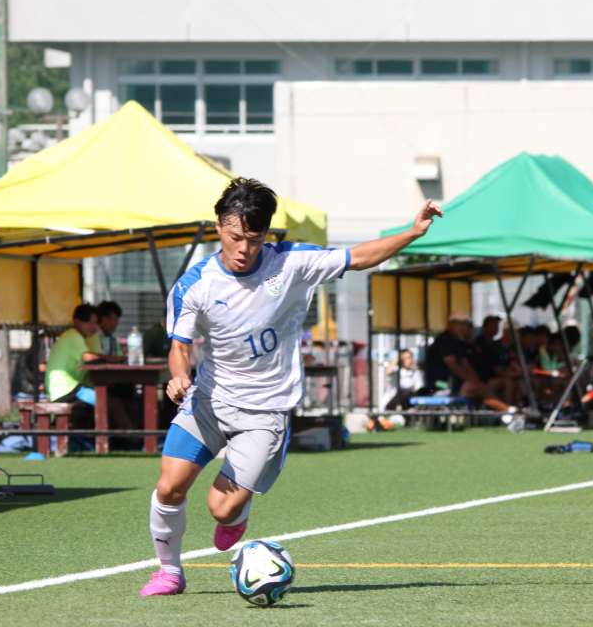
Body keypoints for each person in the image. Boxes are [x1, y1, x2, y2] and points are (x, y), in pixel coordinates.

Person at [140, 178, 444, 597]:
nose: (243, 248)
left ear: (266, 234)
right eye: (234, 237)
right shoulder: (195, 284)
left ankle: (236, 514)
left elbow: (358, 258)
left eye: (254, 239)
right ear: (218, 227)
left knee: (221, 509)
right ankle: (169, 572)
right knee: (169, 487)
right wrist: (178, 375)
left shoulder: (291, 262)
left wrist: (412, 232)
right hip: (208, 400)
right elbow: (179, 346)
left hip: (265, 411)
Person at [45, 304, 136, 430]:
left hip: (73, 388)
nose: (93, 327)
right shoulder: (72, 335)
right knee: (111, 403)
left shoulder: (79, 337)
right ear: (77, 321)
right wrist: (116, 359)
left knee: (119, 401)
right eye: (89, 322)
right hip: (65, 390)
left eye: (95, 323)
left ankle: (119, 438)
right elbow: (88, 357)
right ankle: (131, 439)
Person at [423, 312, 513, 412]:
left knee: (486, 386)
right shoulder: (444, 340)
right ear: (449, 324)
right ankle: (509, 411)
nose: (462, 327)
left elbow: (465, 364)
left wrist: (476, 379)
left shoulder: (457, 341)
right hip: (440, 384)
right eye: (459, 323)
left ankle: (506, 411)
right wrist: (472, 380)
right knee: (481, 388)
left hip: (453, 382)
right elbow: (454, 366)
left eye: (465, 324)